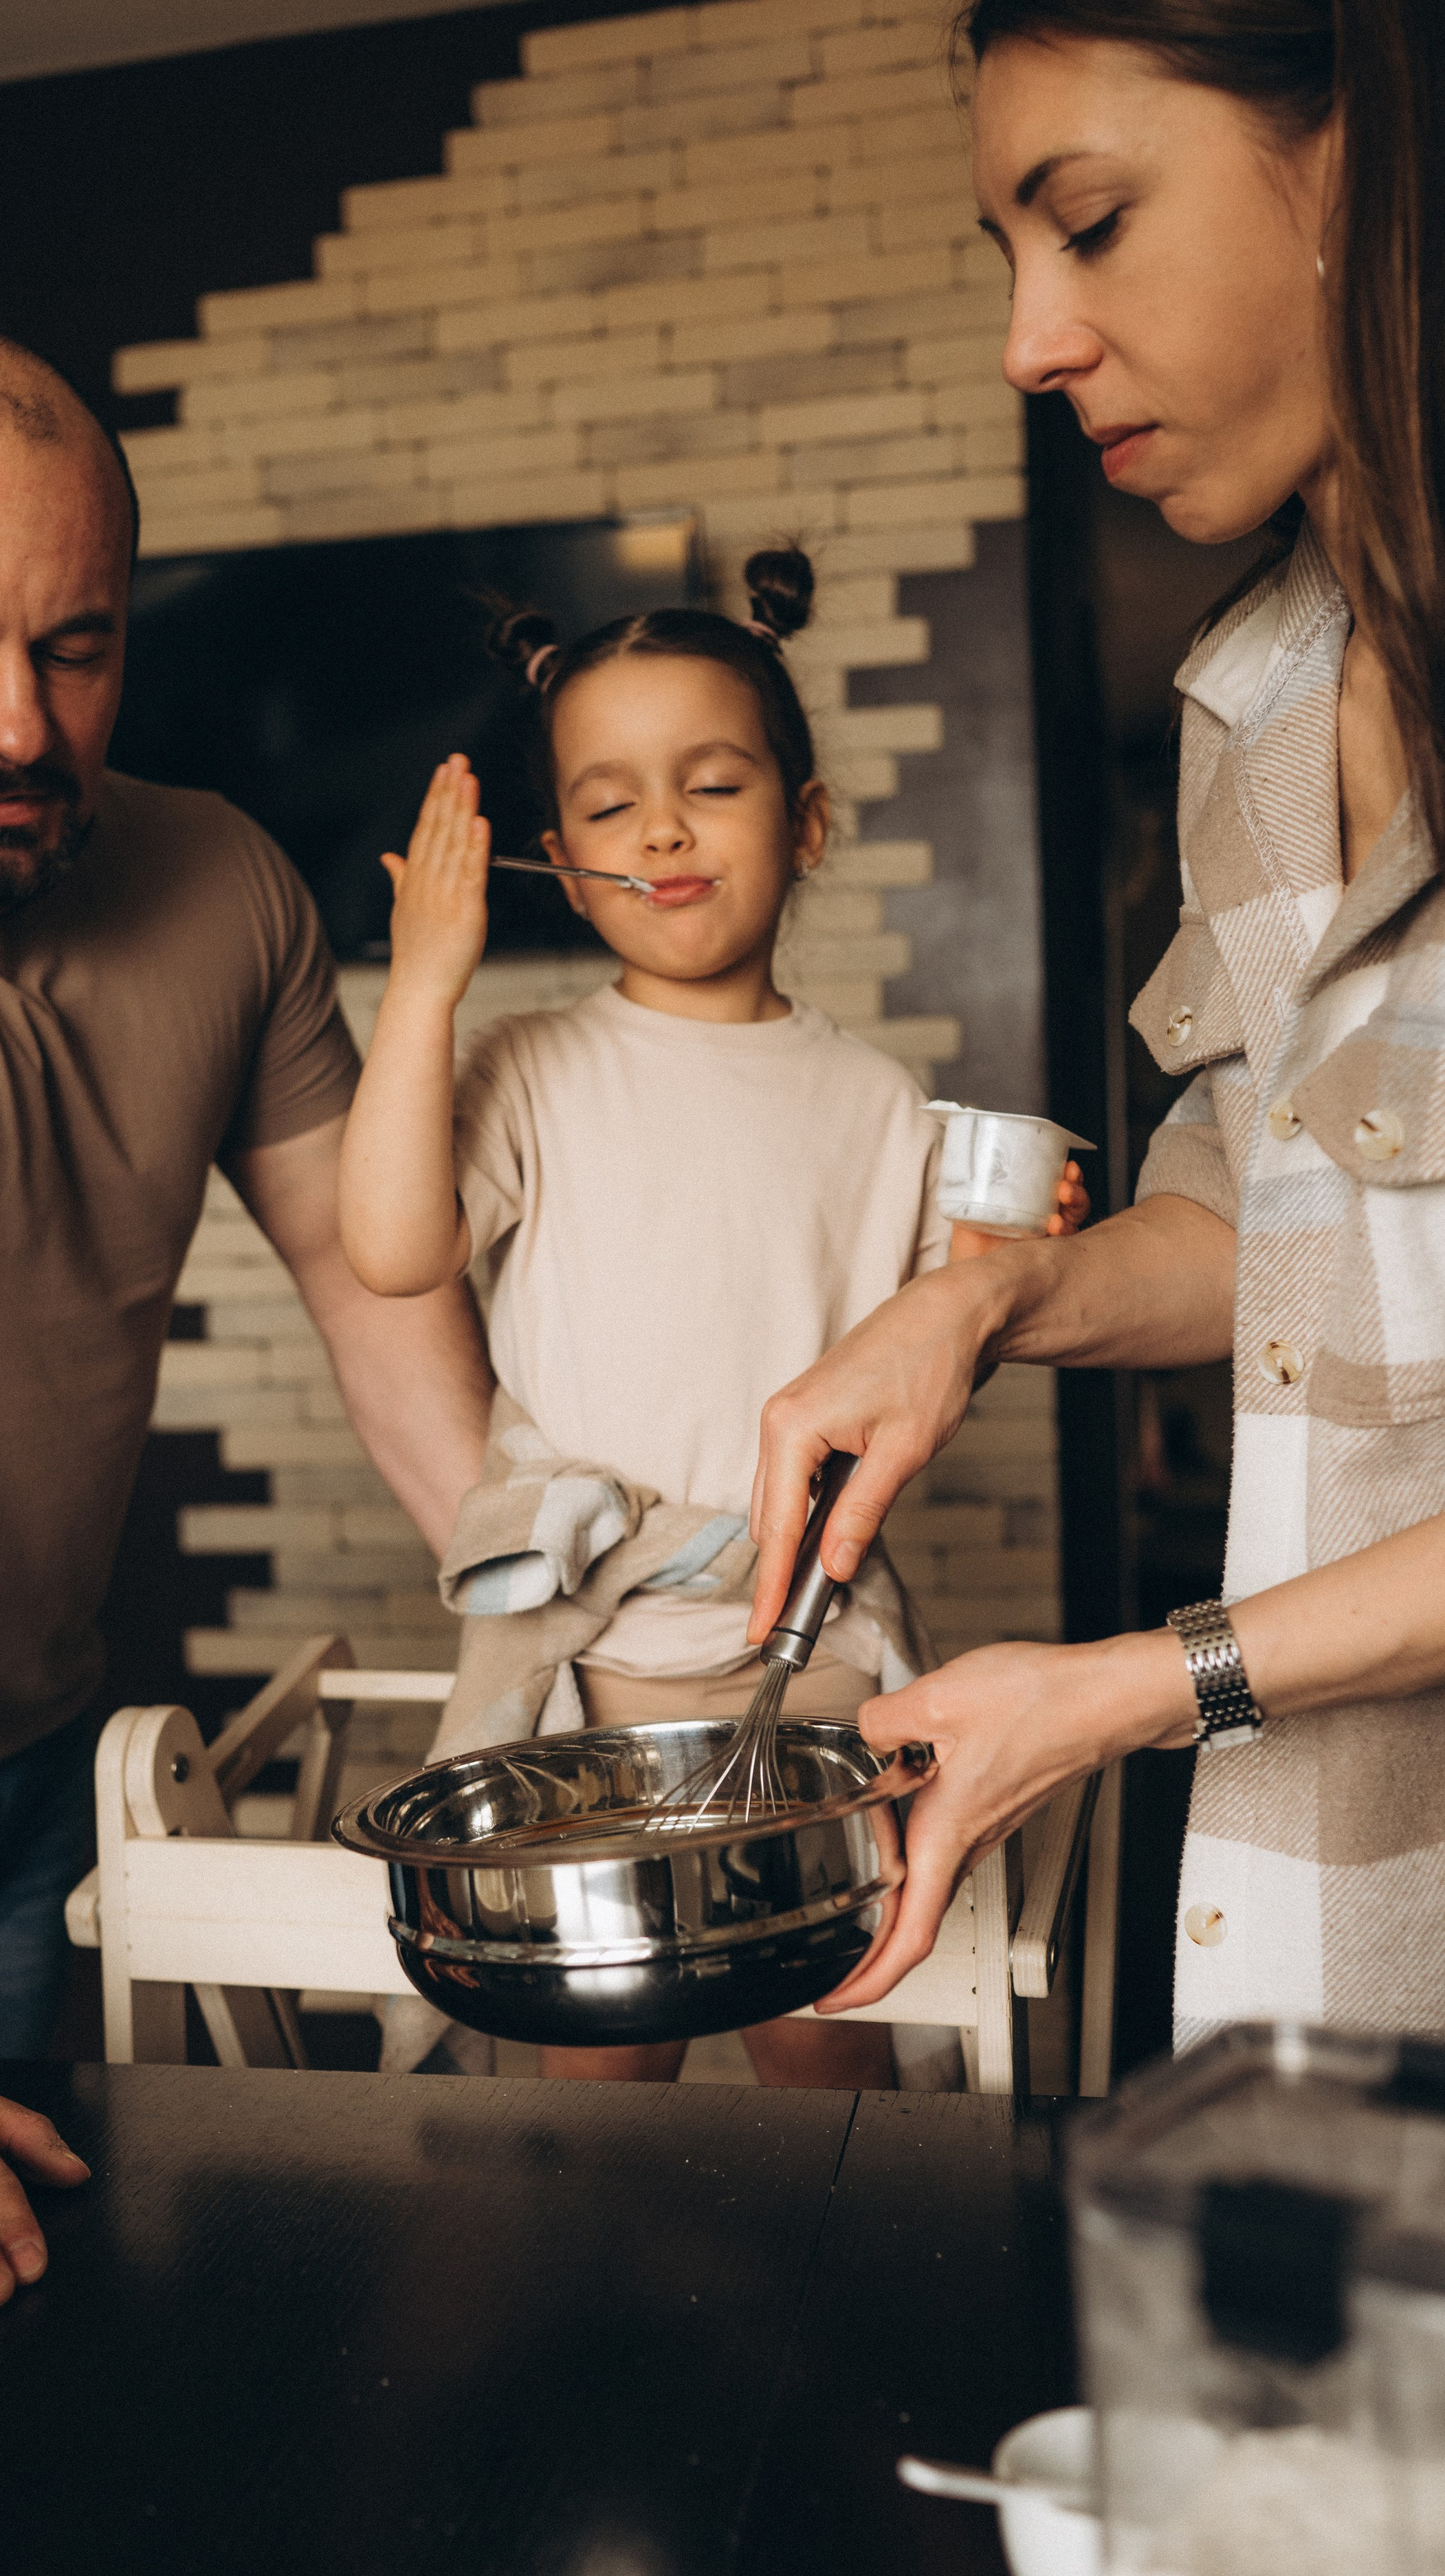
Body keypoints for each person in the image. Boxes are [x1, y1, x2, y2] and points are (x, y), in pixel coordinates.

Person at [0, 322, 491, 2302]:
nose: (20, 726)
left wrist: (612, 1661)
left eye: (75, 644)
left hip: (51, 1770)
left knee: (28, 2318)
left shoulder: (224, 885)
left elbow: (396, 1342)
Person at [747, 0, 1445, 2047]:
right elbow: (1266, 1226)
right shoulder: (1246, 720)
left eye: (1092, 224)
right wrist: (982, 1309)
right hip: (1323, 1941)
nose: (1030, 343)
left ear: (1355, 163)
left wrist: (1134, 1686)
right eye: (1010, 259)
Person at [338, 549, 1085, 2087]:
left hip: (803, 1662)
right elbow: (390, 1247)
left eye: (712, 784)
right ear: (557, 851)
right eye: (609, 805)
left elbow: (922, 1374)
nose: (661, 828)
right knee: (598, 2060)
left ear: (805, 824)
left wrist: (995, 1271)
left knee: (828, 2050)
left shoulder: (880, 1105)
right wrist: (422, 989)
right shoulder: (529, 1067)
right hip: (584, 1667)